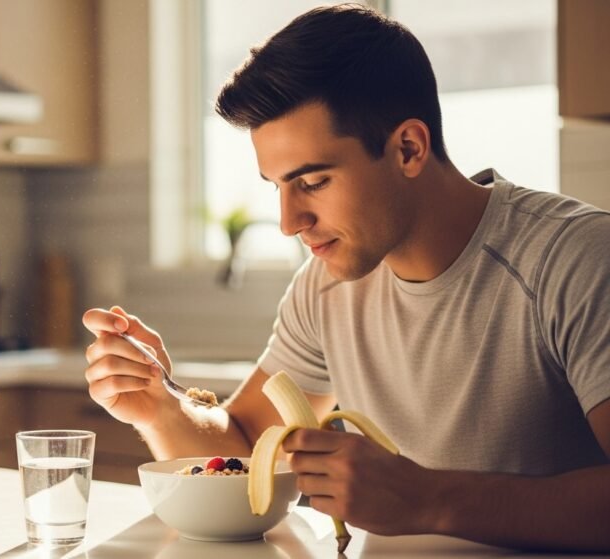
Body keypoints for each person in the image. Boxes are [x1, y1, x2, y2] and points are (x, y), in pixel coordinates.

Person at [81, 4, 610, 552]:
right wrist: (161, 407)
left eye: (312, 182)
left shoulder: (576, 260)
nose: (289, 222)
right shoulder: (325, 287)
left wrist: (429, 499)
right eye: (278, 187)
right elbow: (249, 452)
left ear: (408, 149)